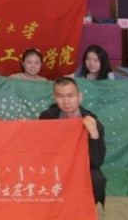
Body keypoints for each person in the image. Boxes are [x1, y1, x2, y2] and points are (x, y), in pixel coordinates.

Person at [38, 77, 107, 205]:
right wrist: (26, 129)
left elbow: (97, 162)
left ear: (79, 97)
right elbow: (38, 148)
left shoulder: (92, 122)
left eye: (70, 96)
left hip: (81, 166)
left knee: (97, 179)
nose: (66, 101)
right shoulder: (47, 117)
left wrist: (94, 135)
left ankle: (85, 209)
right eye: (60, 96)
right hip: (55, 165)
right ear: (54, 98)